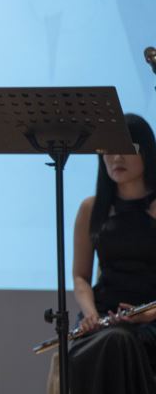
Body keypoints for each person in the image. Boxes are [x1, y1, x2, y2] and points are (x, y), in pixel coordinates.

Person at [70, 113, 156, 393]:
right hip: (103, 315)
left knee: (119, 342)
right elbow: (80, 276)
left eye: (128, 149)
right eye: (109, 150)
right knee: (105, 343)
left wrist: (148, 314)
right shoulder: (91, 209)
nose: (116, 158)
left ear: (147, 152)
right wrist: (90, 314)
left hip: (150, 317)